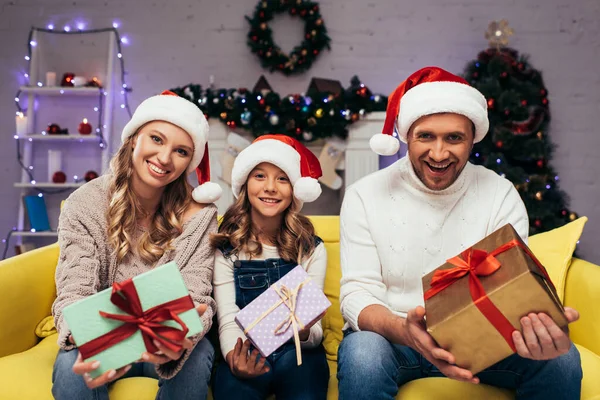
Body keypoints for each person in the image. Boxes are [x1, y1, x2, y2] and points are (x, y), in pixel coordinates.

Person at [337, 66, 582, 400]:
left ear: (472, 139)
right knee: (362, 352)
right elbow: (357, 293)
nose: (439, 154)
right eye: (425, 136)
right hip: (396, 340)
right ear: (406, 135)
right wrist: (407, 333)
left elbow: (511, 289)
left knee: (562, 359)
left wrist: (539, 326)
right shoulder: (364, 194)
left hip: (484, 338)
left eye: (454, 138)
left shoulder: (499, 194)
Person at [51, 90, 223, 400]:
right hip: (103, 336)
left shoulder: (200, 216)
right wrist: (93, 336)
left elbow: (196, 294)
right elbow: (74, 290)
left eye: (181, 151)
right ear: (134, 139)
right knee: (69, 367)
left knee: (197, 357)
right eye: (156, 139)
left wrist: (183, 331)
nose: (165, 158)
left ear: (189, 161)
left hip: (166, 344)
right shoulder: (84, 204)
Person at [211, 134, 330, 400]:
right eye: (260, 176)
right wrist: (233, 356)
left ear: (294, 190)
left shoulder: (311, 248)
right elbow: (228, 318)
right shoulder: (227, 248)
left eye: (283, 178)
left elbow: (316, 331)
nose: (271, 188)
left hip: (298, 352)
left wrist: (305, 330)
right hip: (247, 348)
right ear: (244, 184)